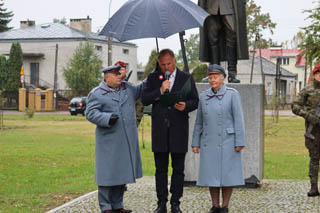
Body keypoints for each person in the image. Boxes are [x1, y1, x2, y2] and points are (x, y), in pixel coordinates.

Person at [141, 49, 199, 213]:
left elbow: (195, 101)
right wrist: (159, 90)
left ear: (175, 61)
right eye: (163, 64)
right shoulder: (153, 78)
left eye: (169, 64)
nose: (166, 67)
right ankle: (161, 203)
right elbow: (145, 99)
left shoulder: (186, 78)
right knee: (160, 170)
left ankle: (175, 203)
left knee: (178, 169)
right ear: (159, 63)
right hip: (159, 130)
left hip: (178, 129)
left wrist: (185, 106)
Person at [86, 65, 145, 213]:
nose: (119, 76)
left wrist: (156, 72)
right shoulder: (97, 93)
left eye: (120, 74)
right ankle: (106, 207)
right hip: (109, 141)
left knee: (122, 173)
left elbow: (143, 88)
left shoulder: (128, 89)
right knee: (107, 174)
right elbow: (90, 113)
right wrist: (106, 118)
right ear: (106, 77)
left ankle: (118, 205)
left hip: (125, 141)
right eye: (115, 74)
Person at [192, 64, 245, 213]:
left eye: (215, 77)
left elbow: (238, 119)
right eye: (210, 77)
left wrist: (240, 141)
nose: (212, 80)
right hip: (209, 142)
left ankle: (225, 206)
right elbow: (199, 122)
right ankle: (215, 205)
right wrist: (195, 142)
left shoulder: (232, 94)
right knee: (211, 176)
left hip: (228, 141)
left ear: (223, 78)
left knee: (228, 175)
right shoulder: (204, 97)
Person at [198, 0, 249, 83]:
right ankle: (214, 72)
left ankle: (232, 73)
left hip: (229, 5)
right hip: (210, 5)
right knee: (212, 38)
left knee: (232, 35)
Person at [292, 64, 320, 197]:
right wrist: (309, 116)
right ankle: (314, 187)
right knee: (314, 159)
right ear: (314, 75)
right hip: (313, 132)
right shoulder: (307, 90)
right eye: (318, 73)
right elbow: (295, 106)